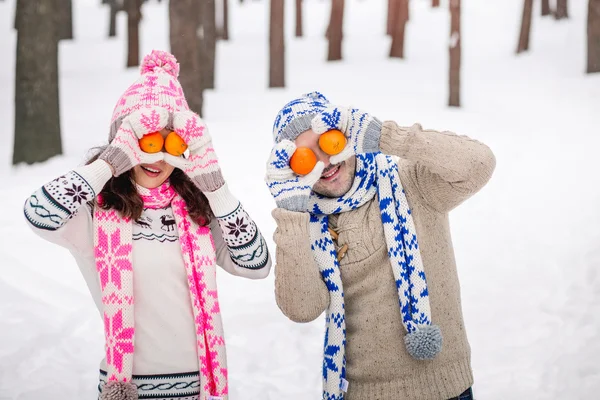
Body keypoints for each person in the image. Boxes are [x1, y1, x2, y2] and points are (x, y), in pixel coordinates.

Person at [23, 50, 271, 400]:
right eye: (145, 139)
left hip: (199, 389)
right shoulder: (93, 214)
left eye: (169, 140)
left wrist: (217, 189)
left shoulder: (197, 210)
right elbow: (38, 213)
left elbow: (256, 265)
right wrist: (109, 163)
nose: (156, 156)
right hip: (126, 390)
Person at [265, 92, 495, 400]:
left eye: (327, 143)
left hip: (447, 389)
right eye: (305, 157)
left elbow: (479, 163)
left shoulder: (412, 182)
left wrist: (385, 136)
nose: (325, 161)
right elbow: (302, 308)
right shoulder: (303, 224)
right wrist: (291, 211)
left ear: (344, 137)